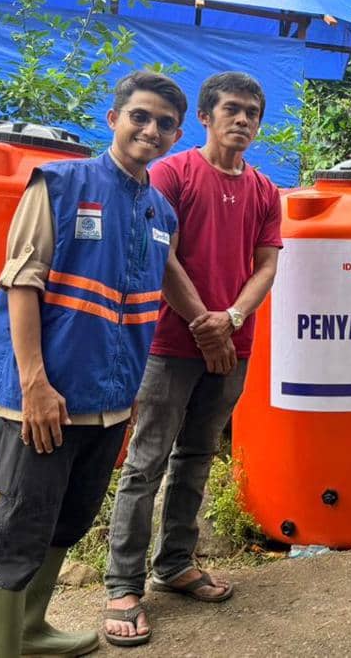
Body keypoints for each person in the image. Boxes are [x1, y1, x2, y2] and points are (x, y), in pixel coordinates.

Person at [0, 71, 185, 657]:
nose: (151, 129)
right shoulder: (60, 184)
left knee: (69, 520)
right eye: (140, 115)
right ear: (113, 118)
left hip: (108, 400)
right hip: (44, 398)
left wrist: (131, 389)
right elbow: (21, 283)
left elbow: (141, 299)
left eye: (165, 123)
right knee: (19, 525)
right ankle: (1, 651)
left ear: (177, 135)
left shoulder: (161, 213)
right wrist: (33, 383)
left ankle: (32, 629)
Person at [103, 72, 282, 645]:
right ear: (204, 116)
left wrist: (229, 322)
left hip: (234, 343)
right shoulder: (172, 174)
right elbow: (163, 257)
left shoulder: (263, 189)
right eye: (232, 109)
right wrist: (206, 325)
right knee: (147, 459)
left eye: (252, 112)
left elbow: (266, 267)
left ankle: (175, 563)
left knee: (199, 454)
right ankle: (122, 584)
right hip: (171, 344)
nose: (243, 120)